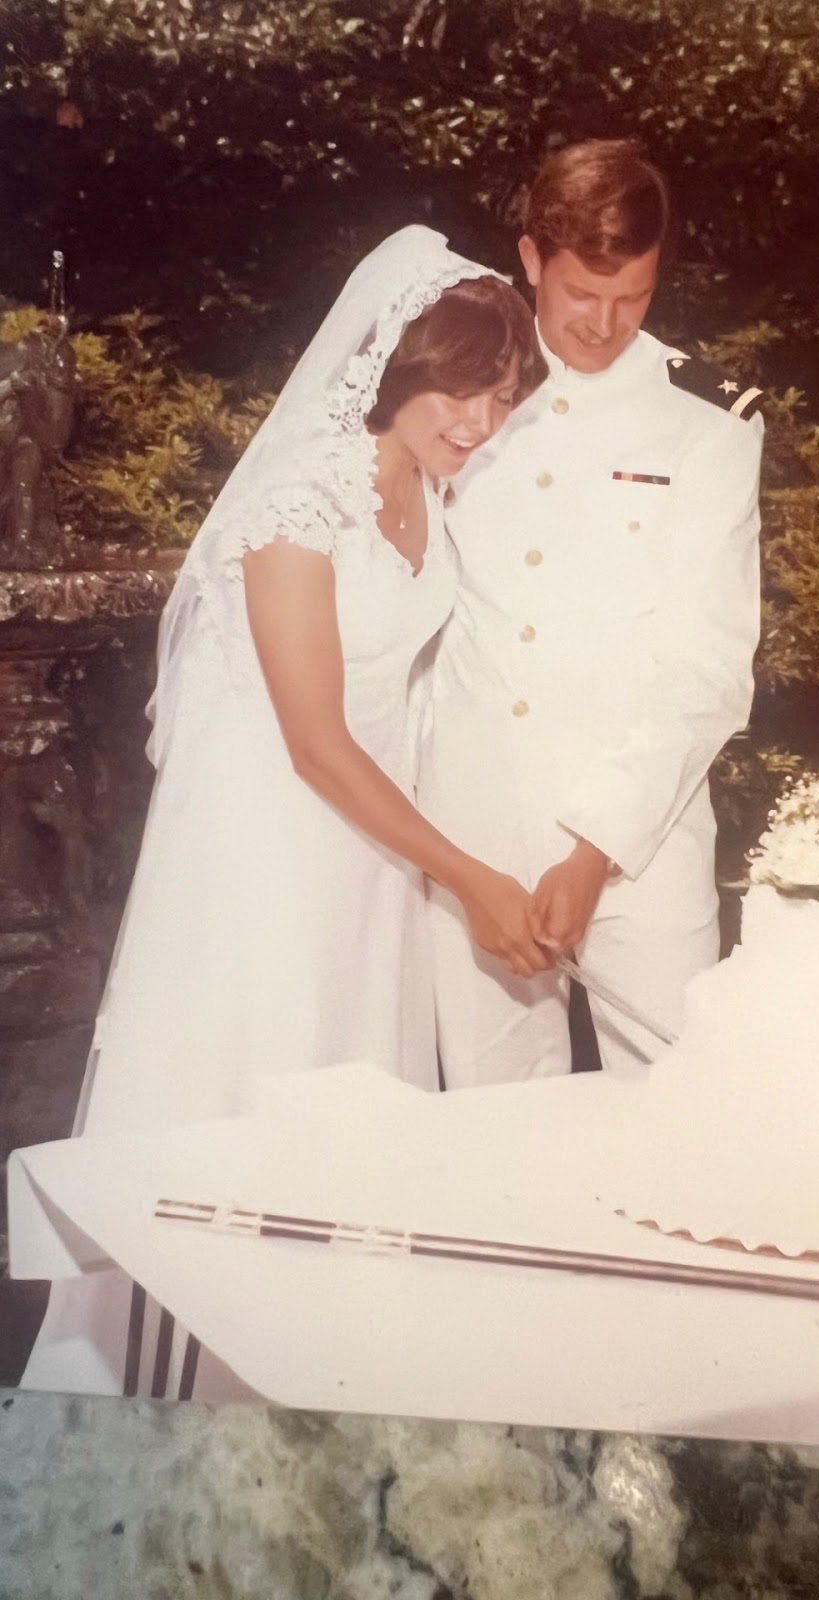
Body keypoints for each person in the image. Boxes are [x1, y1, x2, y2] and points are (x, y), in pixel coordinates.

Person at [18, 225, 549, 1397]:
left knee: (348, 1123)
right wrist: (468, 876)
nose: (479, 420)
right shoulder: (296, 501)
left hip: (370, 859)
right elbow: (314, 741)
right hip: (269, 848)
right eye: (462, 388)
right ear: (401, 366)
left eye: (503, 397)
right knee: (246, 1101)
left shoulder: (430, 482)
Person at [421, 140, 765, 1084]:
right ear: (531, 259)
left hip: (640, 842)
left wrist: (594, 850)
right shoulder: (452, 382)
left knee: (673, 1122)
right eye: (582, 295)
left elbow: (710, 667)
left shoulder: (708, 419)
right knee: (494, 1139)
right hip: (475, 831)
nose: (605, 324)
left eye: (635, 298)